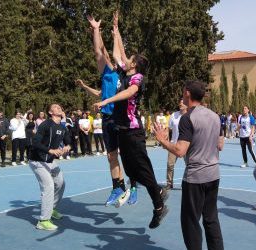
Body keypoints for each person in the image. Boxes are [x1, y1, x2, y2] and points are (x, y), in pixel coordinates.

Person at [95, 14, 168, 228]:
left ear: (135, 65)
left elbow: (129, 93)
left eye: (130, 61)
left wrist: (106, 100)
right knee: (131, 171)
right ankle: (159, 190)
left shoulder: (137, 79)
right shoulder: (125, 72)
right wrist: (116, 29)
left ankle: (158, 206)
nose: (125, 61)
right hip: (122, 130)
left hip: (134, 131)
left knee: (142, 169)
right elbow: (120, 54)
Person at [153, 80, 224, 250]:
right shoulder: (214, 116)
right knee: (211, 219)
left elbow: (180, 150)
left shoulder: (187, 118)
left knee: (190, 222)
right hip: (214, 174)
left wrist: (163, 141)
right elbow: (220, 144)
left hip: (196, 177)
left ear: (187, 93)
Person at [75, 14, 133, 206]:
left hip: (122, 118)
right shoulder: (107, 74)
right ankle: (118, 187)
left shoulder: (124, 76)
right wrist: (96, 29)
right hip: (108, 117)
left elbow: (116, 51)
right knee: (111, 156)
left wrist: (116, 31)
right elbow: (99, 51)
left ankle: (132, 187)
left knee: (126, 155)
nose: (108, 58)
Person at [29, 104, 70, 231]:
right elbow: (35, 142)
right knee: (49, 186)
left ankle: (51, 209)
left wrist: (67, 147)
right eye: (55, 107)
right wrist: (51, 150)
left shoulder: (62, 127)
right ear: (50, 112)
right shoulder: (45, 125)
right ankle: (43, 220)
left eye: (59, 106)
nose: (59, 107)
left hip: (50, 161)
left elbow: (68, 141)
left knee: (61, 183)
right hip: (37, 160)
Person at [165, 99, 187, 190]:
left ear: (186, 104)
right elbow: (168, 129)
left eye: (182, 103)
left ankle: (185, 182)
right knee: (170, 165)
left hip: (186, 144)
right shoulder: (174, 115)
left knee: (189, 165)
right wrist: (167, 140)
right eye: (180, 103)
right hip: (174, 144)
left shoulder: (190, 115)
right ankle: (169, 183)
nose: (180, 104)